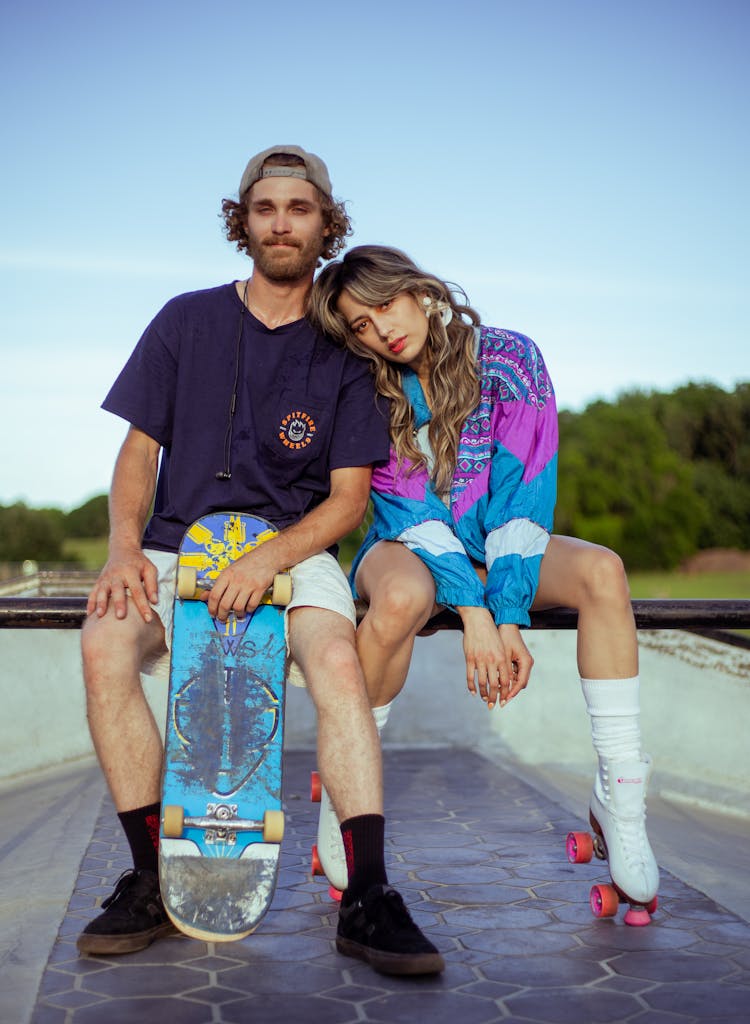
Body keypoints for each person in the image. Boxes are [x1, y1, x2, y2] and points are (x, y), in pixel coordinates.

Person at [76, 154, 444, 975]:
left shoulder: (346, 349)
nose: (282, 221)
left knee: (340, 667)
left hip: (296, 544)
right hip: (175, 544)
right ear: (241, 222)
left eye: (300, 207)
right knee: (104, 647)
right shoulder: (185, 321)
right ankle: (151, 876)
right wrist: (124, 549)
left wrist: (269, 557)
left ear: (326, 225)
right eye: (266, 207)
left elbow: (348, 501)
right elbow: (140, 450)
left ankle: (369, 898)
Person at [308, 244, 660, 924]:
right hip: (406, 543)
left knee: (602, 571)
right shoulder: (370, 385)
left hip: (500, 544)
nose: (380, 330)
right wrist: (473, 615)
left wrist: (507, 614)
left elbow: (523, 492)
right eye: (359, 325)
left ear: (418, 290)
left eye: (384, 306)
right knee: (406, 596)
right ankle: (345, 793)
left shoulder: (511, 359)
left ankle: (622, 795)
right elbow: (410, 507)